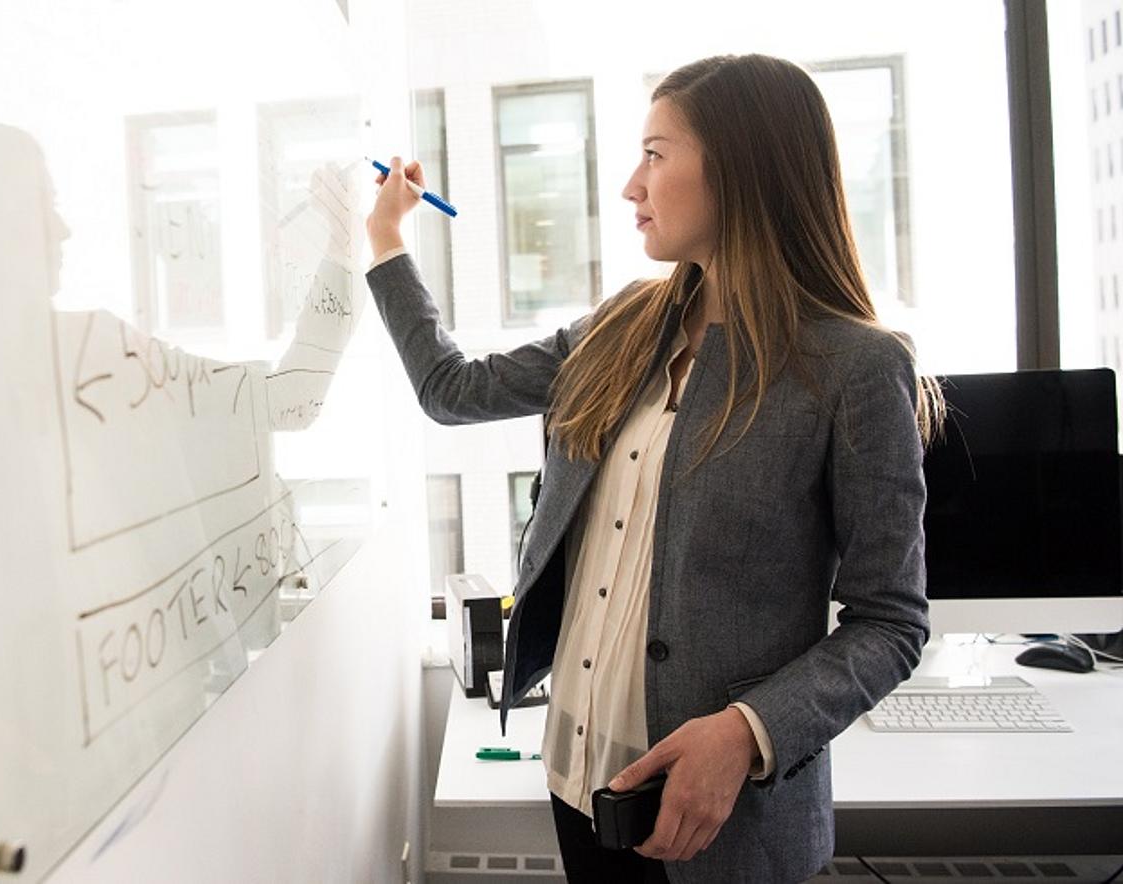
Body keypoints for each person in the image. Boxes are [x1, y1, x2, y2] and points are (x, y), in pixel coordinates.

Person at [364, 54, 941, 884]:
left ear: (741, 169)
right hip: (578, 784)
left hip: (722, 825)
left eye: (656, 154)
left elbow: (891, 622)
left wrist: (747, 731)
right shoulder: (623, 326)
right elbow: (451, 390)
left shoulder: (853, 366)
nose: (632, 186)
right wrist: (386, 239)